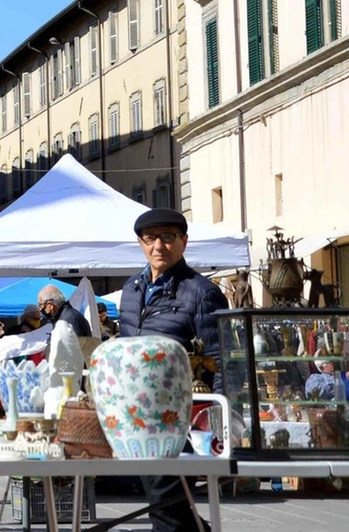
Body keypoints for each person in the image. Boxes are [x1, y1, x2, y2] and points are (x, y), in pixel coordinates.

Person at [118, 208, 228, 532]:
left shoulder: (201, 292)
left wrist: (216, 424)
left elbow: (219, 358)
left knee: (166, 506)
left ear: (183, 242)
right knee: (167, 504)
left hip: (179, 417)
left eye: (168, 237)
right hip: (137, 416)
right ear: (141, 243)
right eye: (151, 238)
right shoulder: (131, 290)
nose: (159, 246)